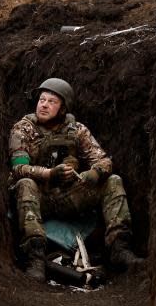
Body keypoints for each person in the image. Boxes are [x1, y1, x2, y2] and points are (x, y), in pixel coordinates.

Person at [9, 77, 143, 281]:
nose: (44, 105)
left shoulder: (77, 130)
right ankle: (35, 258)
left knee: (113, 181)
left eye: (51, 101)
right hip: (40, 197)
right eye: (42, 100)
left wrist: (94, 173)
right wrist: (49, 174)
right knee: (25, 184)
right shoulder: (23, 129)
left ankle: (119, 248)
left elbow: (104, 160)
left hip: (69, 195)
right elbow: (19, 168)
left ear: (63, 108)